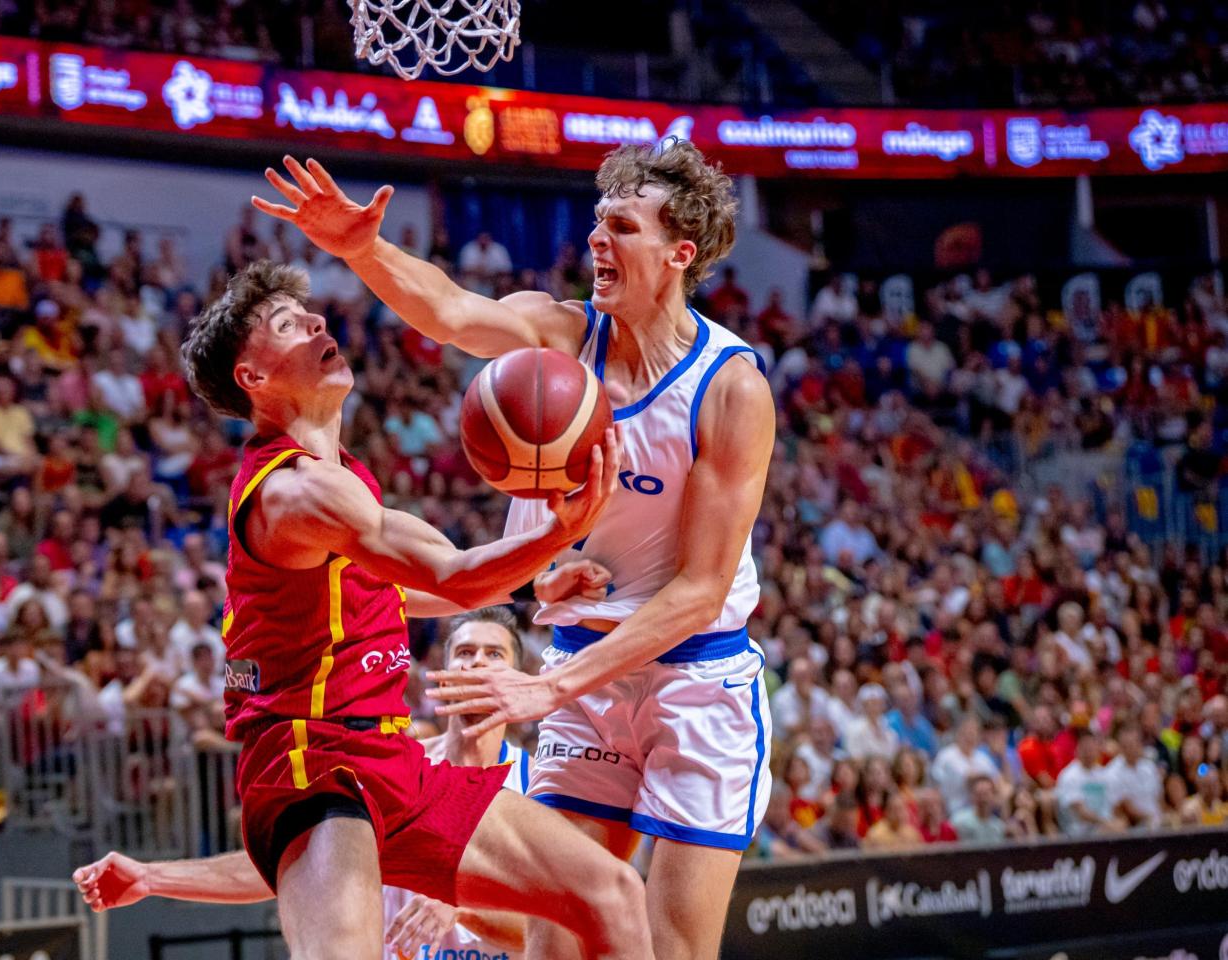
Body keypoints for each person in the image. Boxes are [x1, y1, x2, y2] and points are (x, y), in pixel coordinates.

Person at [257, 141, 774, 960]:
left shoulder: (732, 388)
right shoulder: (562, 335)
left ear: (681, 254)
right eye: (599, 221)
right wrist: (362, 249)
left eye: (624, 227)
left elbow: (702, 591)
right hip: (586, 667)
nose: (599, 239)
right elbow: (453, 313)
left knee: (673, 947)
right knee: (559, 935)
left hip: (696, 679)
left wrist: (548, 686)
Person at [120, 260, 647, 960]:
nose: (315, 322)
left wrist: (532, 583)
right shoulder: (294, 495)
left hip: (388, 755)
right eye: (287, 324)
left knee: (610, 892)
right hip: (310, 763)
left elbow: (415, 585)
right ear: (254, 378)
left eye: (309, 314)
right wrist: (557, 530)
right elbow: (454, 578)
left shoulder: (346, 481)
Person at [79, 606, 581, 960]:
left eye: (495, 655)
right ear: (439, 673)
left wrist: (463, 908)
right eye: (465, 652)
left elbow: (563, 932)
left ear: (521, 676)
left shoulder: (540, 784)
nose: (477, 663)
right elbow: (289, 865)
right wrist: (150, 878)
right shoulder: (393, 773)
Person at [949, 774, 1007, 844]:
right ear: (972, 796)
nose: (982, 799)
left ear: (993, 795)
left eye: (986, 794)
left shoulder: (999, 827)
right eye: (978, 794)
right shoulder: (957, 821)